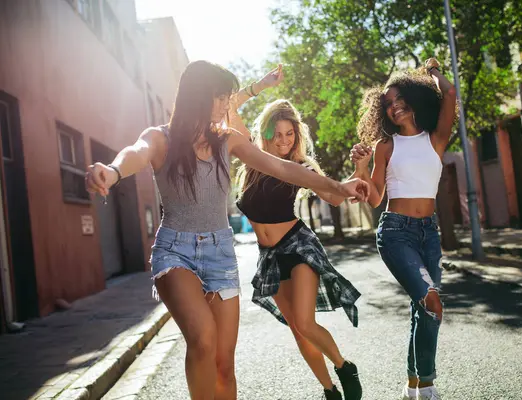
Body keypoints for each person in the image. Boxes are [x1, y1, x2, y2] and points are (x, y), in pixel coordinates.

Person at [85, 60, 369, 400]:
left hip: (221, 255)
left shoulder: (227, 140)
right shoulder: (161, 138)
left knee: (224, 365)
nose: (225, 104)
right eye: (220, 97)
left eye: (227, 97)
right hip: (175, 251)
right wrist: (113, 171)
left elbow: (284, 168)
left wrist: (338, 186)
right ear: (198, 96)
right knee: (203, 337)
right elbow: (137, 152)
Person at [234, 99, 362, 400]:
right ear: (265, 133)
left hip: (298, 246)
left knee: (306, 322)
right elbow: (229, 110)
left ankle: (344, 368)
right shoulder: (251, 159)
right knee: (298, 332)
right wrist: (259, 89)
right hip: (269, 256)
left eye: (289, 134)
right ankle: (330, 391)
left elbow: (334, 198)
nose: (284, 141)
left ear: (297, 135)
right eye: (277, 134)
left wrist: (356, 171)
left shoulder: (300, 166)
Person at [349, 58, 456, 400]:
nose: (394, 107)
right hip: (396, 233)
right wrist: (361, 168)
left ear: (414, 98)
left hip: (430, 231)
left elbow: (450, 92)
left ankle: (412, 385)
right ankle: (427, 385)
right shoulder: (386, 146)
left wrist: (433, 71)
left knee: (421, 309)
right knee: (432, 303)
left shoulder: (435, 138)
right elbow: (375, 197)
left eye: (399, 100)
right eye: (388, 104)